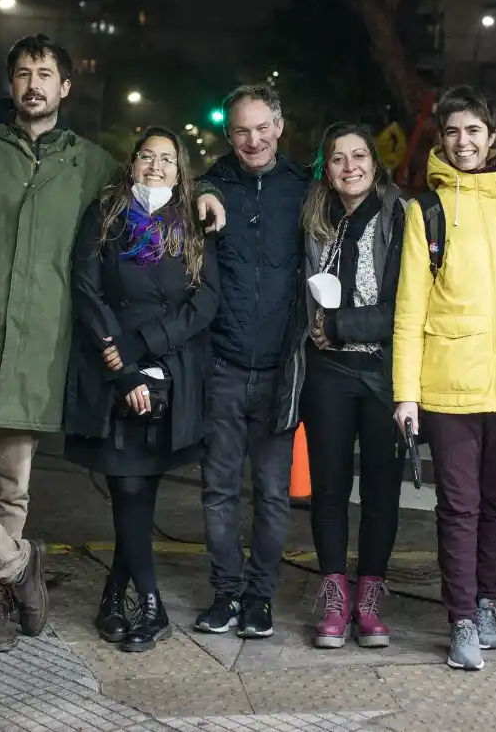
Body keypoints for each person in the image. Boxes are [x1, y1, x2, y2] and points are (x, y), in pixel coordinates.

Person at [0, 34, 225, 653]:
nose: (33, 84)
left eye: (45, 74)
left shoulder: (93, 165)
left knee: (9, 486)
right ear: (10, 83)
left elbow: (155, 188)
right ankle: (18, 567)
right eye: (23, 73)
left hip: (34, 348)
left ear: (65, 87)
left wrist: (211, 193)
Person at [391, 85, 496, 671]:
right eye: (452, 132)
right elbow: (410, 309)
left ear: (491, 138)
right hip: (448, 387)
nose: (463, 142)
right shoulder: (424, 210)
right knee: (460, 506)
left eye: (473, 131)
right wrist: (407, 393)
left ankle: (485, 604)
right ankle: (459, 620)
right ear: (441, 140)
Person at [65, 127, 219, 653]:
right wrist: (122, 365)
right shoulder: (105, 216)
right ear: (132, 164)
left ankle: (114, 592)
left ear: (181, 172)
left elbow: (204, 303)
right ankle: (151, 605)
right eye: (147, 157)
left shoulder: (192, 225)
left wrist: (148, 350)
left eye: (167, 160)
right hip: (112, 367)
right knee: (127, 486)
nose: (156, 167)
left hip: (171, 368)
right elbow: (85, 288)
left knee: (140, 487)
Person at [194, 84, 311, 640]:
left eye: (262, 127)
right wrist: (197, 187)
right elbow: (155, 193)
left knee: (271, 492)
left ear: (280, 127)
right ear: (229, 136)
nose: (253, 139)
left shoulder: (305, 191)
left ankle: (260, 597)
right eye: (241, 130)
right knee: (217, 490)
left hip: (279, 373)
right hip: (222, 366)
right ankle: (225, 593)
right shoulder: (209, 186)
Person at [298, 122, 407, 649]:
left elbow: (405, 306)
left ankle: (370, 597)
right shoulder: (315, 217)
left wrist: (339, 326)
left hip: (384, 370)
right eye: (338, 158)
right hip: (328, 373)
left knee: (382, 490)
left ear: (375, 161)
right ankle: (336, 595)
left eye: (359, 155)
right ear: (327, 168)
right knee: (330, 486)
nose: (350, 166)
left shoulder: (400, 214)